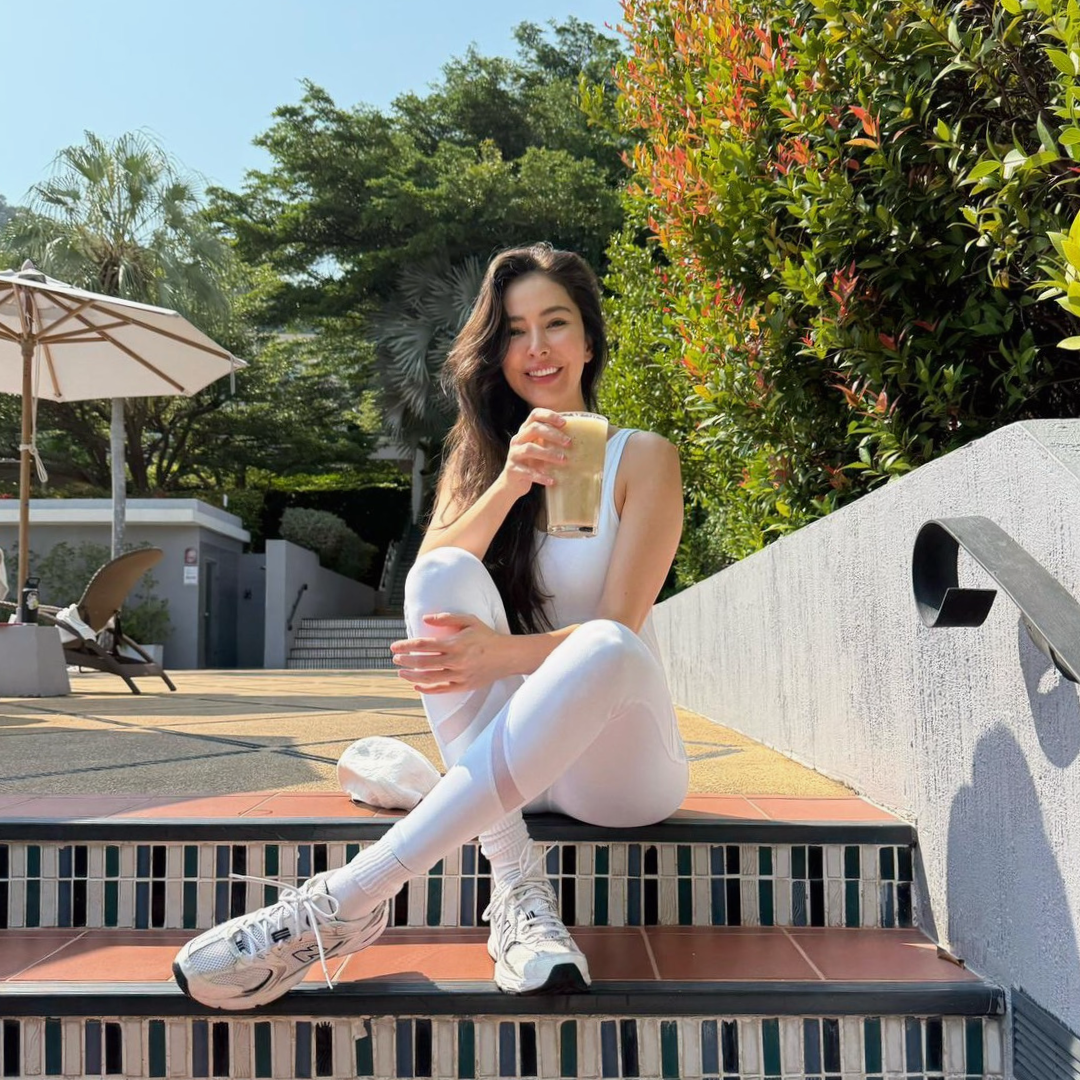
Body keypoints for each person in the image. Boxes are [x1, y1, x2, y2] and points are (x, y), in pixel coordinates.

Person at [173, 243, 689, 1009]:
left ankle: (344, 900)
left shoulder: (643, 458)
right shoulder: (480, 462)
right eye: (514, 331)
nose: (537, 347)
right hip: (522, 763)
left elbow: (619, 624)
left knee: (607, 643)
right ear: (496, 352)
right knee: (441, 570)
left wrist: (499, 657)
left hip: (621, 773)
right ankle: (516, 883)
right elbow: (432, 584)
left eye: (555, 323)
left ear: (589, 341)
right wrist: (510, 480)